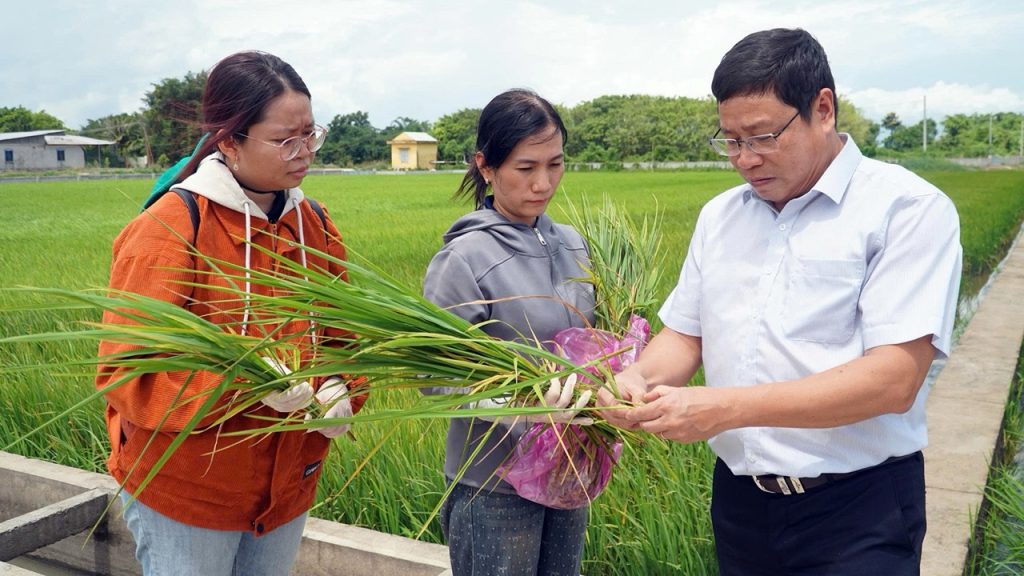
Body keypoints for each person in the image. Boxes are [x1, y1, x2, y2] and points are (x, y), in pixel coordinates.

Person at [597, 28, 962, 575]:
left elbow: (894, 379)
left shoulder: (905, 210)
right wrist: (639, 379)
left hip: (858, 510)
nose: (745, 159)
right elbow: (686, 334)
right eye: (730, 141)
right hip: (740, 506)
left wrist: (724, 407)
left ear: (822, 109)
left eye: (763, 136)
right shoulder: (721, 217)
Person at [96, 51, 366, 576]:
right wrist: (239, 385)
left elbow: (344, 336)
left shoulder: (312, 225)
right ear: (228, 141)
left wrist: (343, 386)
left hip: (287, 485)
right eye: (286, 138)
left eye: (311, 134)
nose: (304, 151)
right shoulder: (171, 228)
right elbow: (127, 372)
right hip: (189, 492)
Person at [422, 89, 596, 576]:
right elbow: (433, 374)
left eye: (555, 164)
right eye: (526, 167)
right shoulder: (465, 258)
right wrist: (518, 405)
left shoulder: (575, 246)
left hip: (569, 472)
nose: (543, 183)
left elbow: (595, 338)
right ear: (486, 166)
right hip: (493, 485)